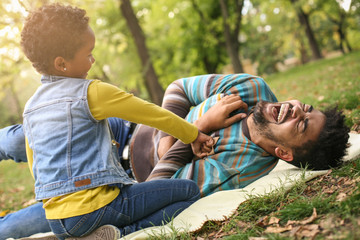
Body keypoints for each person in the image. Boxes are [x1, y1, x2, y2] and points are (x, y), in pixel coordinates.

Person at [0, 73, 350, 239]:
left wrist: (191, 130)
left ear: (284, 153)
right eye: (304, 108)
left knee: (17, 226)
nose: (292, 109)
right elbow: (179, 88)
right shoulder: (251, 87)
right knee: (21, 141)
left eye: (301, 124)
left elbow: (157, 185)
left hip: (113, 182)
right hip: (124, 130)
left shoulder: (239, 169)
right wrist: (183, 131)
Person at [14, 3, 217, 240]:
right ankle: (121, 233)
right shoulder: (91, 92)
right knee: (189, 191)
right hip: (95, 210)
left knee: (133, 196)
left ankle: (86, 235)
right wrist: (193, 135)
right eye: (88, 53)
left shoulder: (31, 108)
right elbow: (152, 114)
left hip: (57, 220)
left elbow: (35, 162)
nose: (92, 60)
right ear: (62, 63)